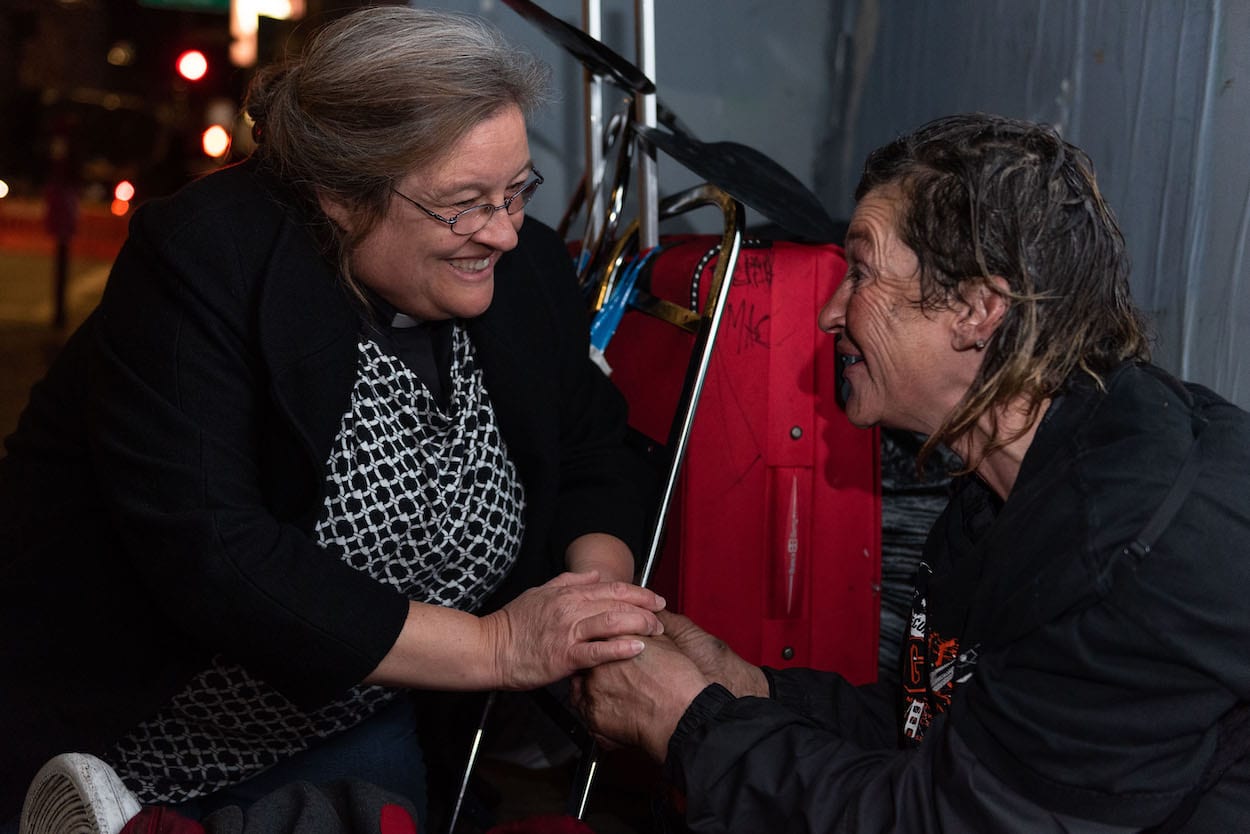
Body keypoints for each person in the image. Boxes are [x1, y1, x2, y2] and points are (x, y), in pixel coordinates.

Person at [0, 5, 667, 829]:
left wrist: (594, 607)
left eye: (516, 190)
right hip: (129, 730)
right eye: (464, 203)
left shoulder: (523, 268)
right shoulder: (206, 259)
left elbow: (591, 447)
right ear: (342, 198)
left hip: (345, 724)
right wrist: (498, 647)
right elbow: (217, 553)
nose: (502, 232)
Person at [574, 113, 1250, 832]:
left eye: (859, 272)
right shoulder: (1017, 482)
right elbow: (944, 739)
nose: (832, 312)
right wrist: (745, 686)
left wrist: (686, 721)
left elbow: (944, 818)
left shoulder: (1116, 554)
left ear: (976, 310)